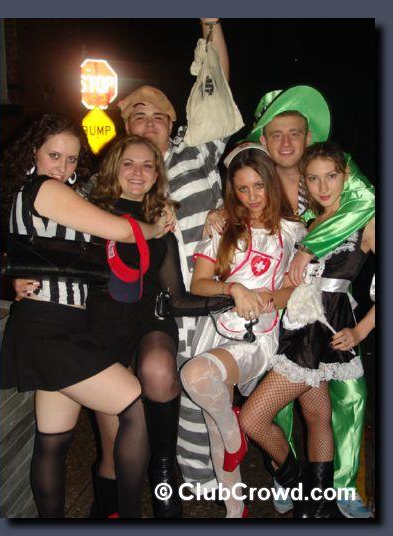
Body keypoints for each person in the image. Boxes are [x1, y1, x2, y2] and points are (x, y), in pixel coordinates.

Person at [0, 114, 168, 518]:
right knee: (133, 405)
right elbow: (123, 231)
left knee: (53, 441)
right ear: (33, 153)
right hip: (48, 326)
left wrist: (11, 276)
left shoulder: (52, 195)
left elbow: (28, 249)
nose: (62, 167)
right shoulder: (44, 189)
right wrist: (157, 227)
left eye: (72, 159)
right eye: (54, 155)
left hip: (62, 324)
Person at [85, 134, 233, 518]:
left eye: (147, 165)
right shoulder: (89, 213)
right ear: (114, 167)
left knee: (158, 368)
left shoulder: (161, 223)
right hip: (104, 326)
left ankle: (164, 469)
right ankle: (110, 510)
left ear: (156, 175)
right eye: (129, 163)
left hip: (152, 318)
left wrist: (232, 297)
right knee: (115, 443)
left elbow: (177, 296)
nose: (138, 172)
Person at [244, 85, 375, 517]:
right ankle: (308, 494)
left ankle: (319, 486)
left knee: (339, 402)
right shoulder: (290, 207)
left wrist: (363, 329)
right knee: (309, 414)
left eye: (330, 177)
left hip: (330, 325)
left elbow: (363, 202)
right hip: (289, 322)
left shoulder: (359, 212)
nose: (321, 185)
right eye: (315, 179)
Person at [180, 143, 306, 517]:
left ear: (270, 182)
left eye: (258, 185)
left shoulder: (292, 231)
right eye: (242, 188)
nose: (252, 196)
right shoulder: (223, 228)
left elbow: (296, 289)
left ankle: (235, 433)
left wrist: (269, 298)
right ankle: (237, 512)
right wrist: (233, 288)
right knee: (214, 426)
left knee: (196, 375)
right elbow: (199, 284)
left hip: (257, 336)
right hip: (216, 328)